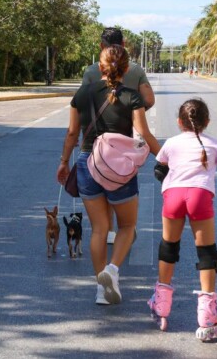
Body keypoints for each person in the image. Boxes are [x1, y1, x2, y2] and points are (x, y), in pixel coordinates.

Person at [56, 44, 161, 304]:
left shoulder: (81, 94)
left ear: (98, 67)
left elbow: (71, 133)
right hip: (119, 168)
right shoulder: (131, 97)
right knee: (126, 226)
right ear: (126, 68)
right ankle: (112, 270)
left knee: (99, 229)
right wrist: (166, 158)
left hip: (87, 163)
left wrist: (63, 162)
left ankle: (101, 290)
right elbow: (144, 135)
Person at [148, 98, 217, 339]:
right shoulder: (214, 143)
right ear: (207, 122)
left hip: (173, 195)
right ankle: (207, 314)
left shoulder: (171, 143)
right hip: (200, 197)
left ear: (179, 122)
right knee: (207, 253)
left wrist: (173, 187)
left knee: (168, 247)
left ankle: (161, 305)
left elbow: (159, 169)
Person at [83, 27, 155, 244]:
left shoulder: (90, 71)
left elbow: (84, 104)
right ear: (123, 45)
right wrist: (134, 111)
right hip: (123, 143)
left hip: (94, 144)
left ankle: (108, 231)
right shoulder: (134, 69)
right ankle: (125, 228)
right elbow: (149, 99)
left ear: (100, 47)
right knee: (121, 178)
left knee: (100, 180)